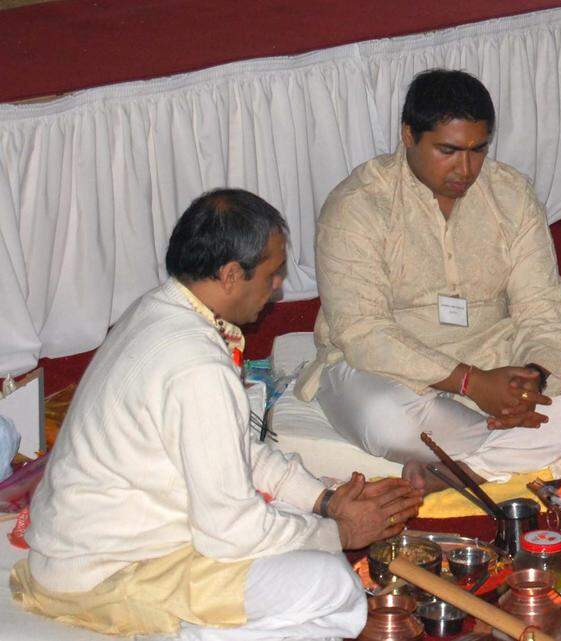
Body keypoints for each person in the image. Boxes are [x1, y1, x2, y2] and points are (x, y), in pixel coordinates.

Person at [10, 189, 423, 640]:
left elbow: (240, 450)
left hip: (110, 543)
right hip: (110, 571)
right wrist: (338, 533)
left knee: (305, 544)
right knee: (332, 584)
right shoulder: (195, 364)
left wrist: (323, 502)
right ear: (230, 276)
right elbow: (230, 531)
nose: (278, 287)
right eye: (271, 275)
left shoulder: (159, 308)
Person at [298, 69, 561, 491]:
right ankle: (522, 442)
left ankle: (466, 472)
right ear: (408, 135)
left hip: (491, 349)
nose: (466, 168)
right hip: (386, 367)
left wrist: (532, 380)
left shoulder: (511, 194)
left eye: (478, 150)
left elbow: (541, 309)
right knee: (385, 421)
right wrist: (470, 383)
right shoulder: (357, 206)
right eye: (448, 150)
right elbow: (362, 332)